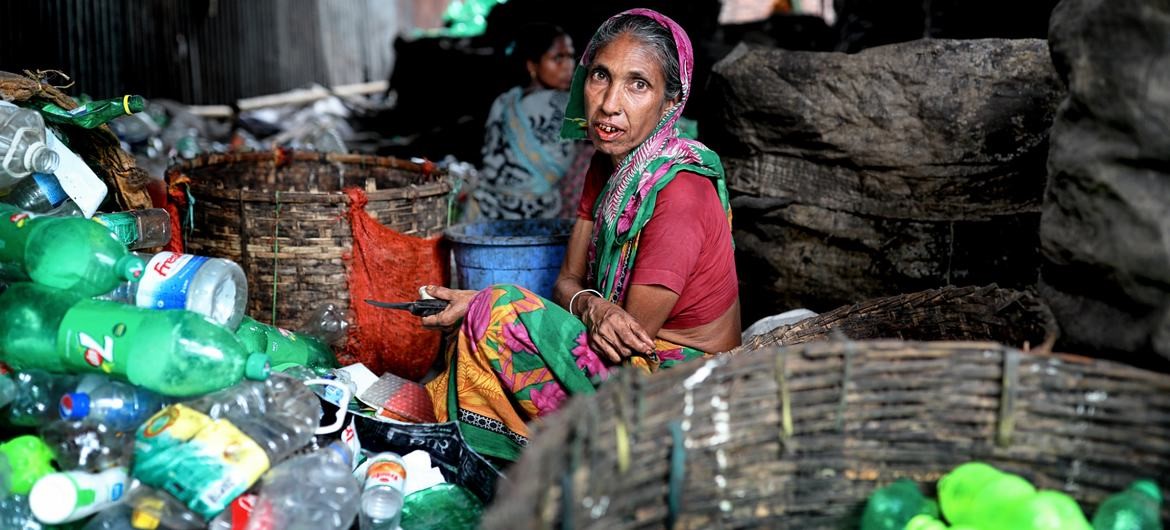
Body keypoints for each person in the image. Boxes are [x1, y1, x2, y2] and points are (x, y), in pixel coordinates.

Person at [423, 9, 740, 463]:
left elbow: (627, 337)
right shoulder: (606, 166)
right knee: (483, 326)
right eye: (600, 76)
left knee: (494, 315)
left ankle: (519, 462)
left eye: (638, 85)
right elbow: (567, 282)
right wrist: (591, 305)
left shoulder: (680, 193)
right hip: (627, 354)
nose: (610, 103)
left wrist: (487, 303)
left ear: (671, 103)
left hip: (681, 378)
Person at [471, 23, 593, 220]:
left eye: (571, 56)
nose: (569, 66)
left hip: (487, 211)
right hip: (540, 215)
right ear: (532, 65)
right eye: (558, 58)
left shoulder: (503, 101)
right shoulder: (567, 106)